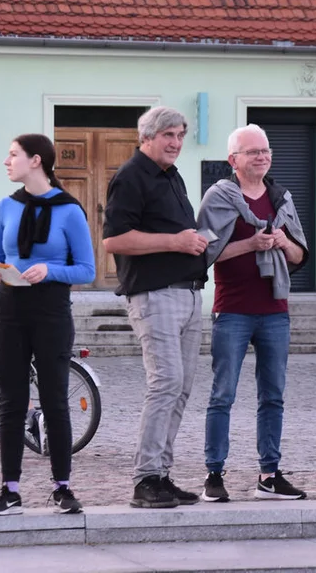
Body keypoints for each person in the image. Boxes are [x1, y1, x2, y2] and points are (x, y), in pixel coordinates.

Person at [0, 134, 95, 516]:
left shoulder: (69, 210)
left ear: (36, 161)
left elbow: (87, 269)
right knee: (11, 401)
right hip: (9, 309)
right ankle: (9, 489)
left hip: (50, 311)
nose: (6, 161)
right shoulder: (3, 207)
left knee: (54, 399)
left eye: (12, 155)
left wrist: (50, 270)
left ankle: (62, 486)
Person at [195, 124, 309, 503]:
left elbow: (299, 256)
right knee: (222, 395)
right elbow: (207, 253)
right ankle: (214, 474)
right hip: (232, 311)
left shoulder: (281, 198)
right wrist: (250, 244)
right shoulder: (218, 197)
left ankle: (269, 475)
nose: (262, 156)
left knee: (273, 396)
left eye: (266, 150)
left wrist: (282, 242)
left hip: (275, 311)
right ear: (234, 160)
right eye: (253, 151)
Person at [102, 106, 209, 509]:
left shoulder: (172, 176)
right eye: (169, 135)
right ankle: (145, 479)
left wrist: (196, 242)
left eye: (180, 135)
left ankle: (161, 475)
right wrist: (175, 242)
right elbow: (114, 240)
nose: (176, 143)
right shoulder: (130, 177)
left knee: (180, 389)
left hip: (187, 293)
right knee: (164, 383)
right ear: (147, 136)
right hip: (154, 293)